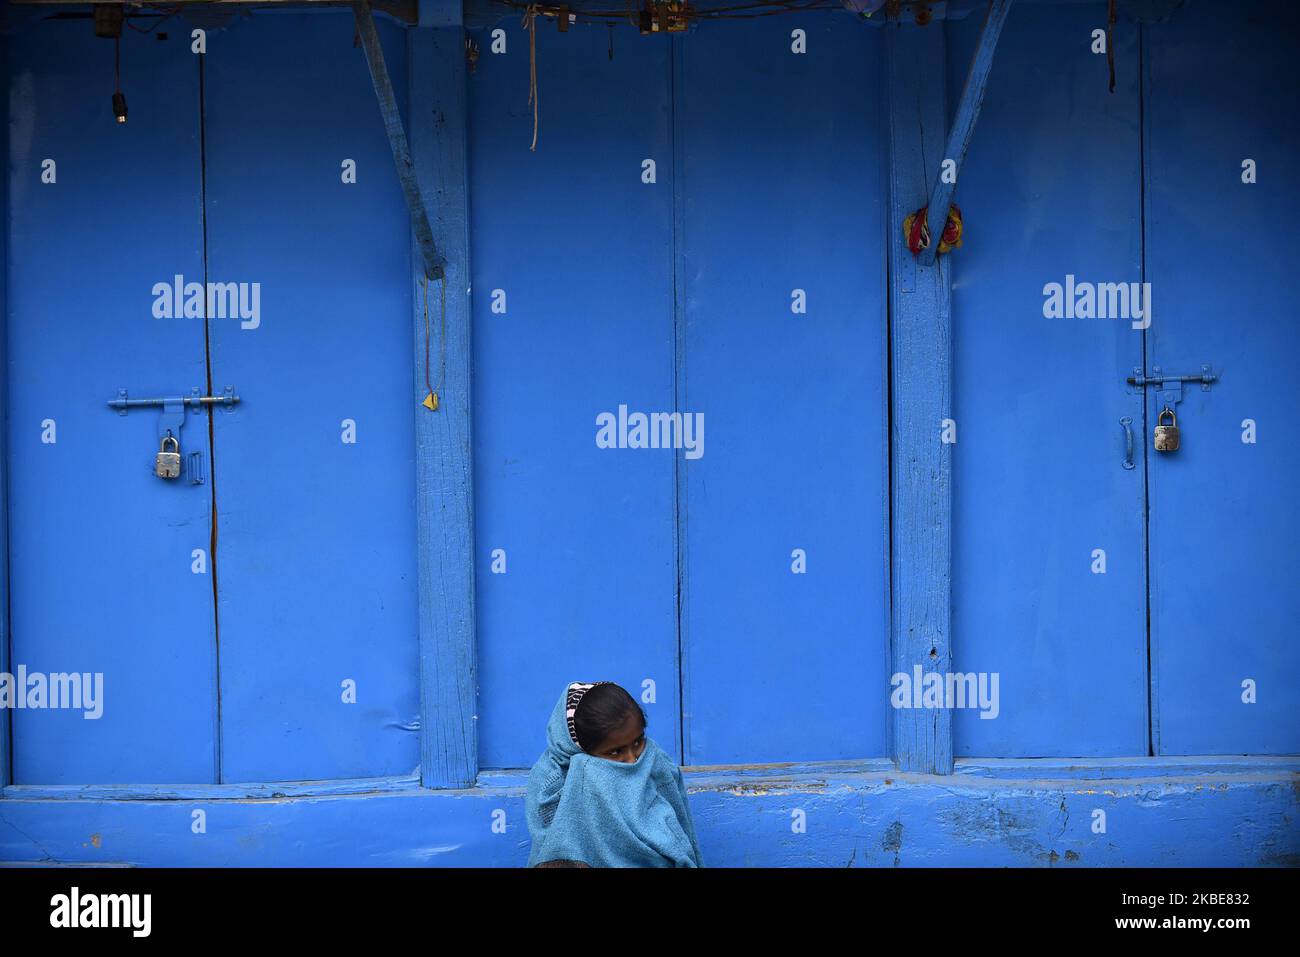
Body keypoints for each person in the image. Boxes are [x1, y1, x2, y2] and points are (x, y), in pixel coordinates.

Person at [525, 681, 704, 868]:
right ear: (582, 748)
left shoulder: (653, 760)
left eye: (637, 743)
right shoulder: (553, 779)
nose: (632, 759)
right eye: (615, 752)